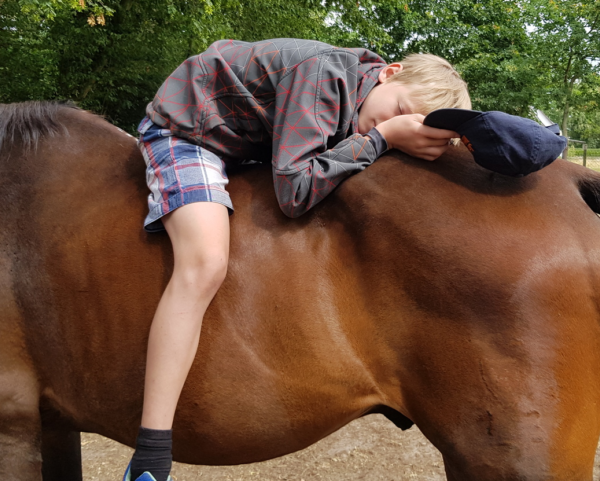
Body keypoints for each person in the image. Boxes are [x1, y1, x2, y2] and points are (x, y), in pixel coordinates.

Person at [125, 38, 471, 481]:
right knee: (205, 262)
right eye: (397, 109)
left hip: (246, 136)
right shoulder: (322, 76)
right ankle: (150, 456)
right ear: (389, 72)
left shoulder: (364, 95)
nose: (392, 122)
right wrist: (384, 137)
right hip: (188, 132)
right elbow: (294, 192)